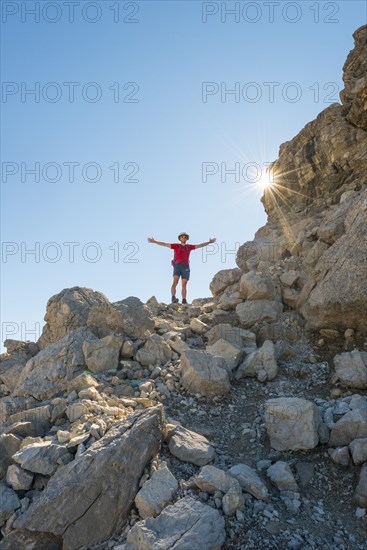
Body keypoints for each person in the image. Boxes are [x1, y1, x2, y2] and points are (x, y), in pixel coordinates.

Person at [148, 232, 217, 304]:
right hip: (177, 266)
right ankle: (173, 297)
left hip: (185, 267)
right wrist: (154, 241)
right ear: (180, 238)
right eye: (182, 237)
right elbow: (164, 244)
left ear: (186, 238)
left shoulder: (189, 247)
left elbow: (200, 245)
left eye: (185, 237)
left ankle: (184, 300)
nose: (183, 238)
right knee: (175, 282)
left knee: (184, 285)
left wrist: (209, 242)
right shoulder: (176, 246)